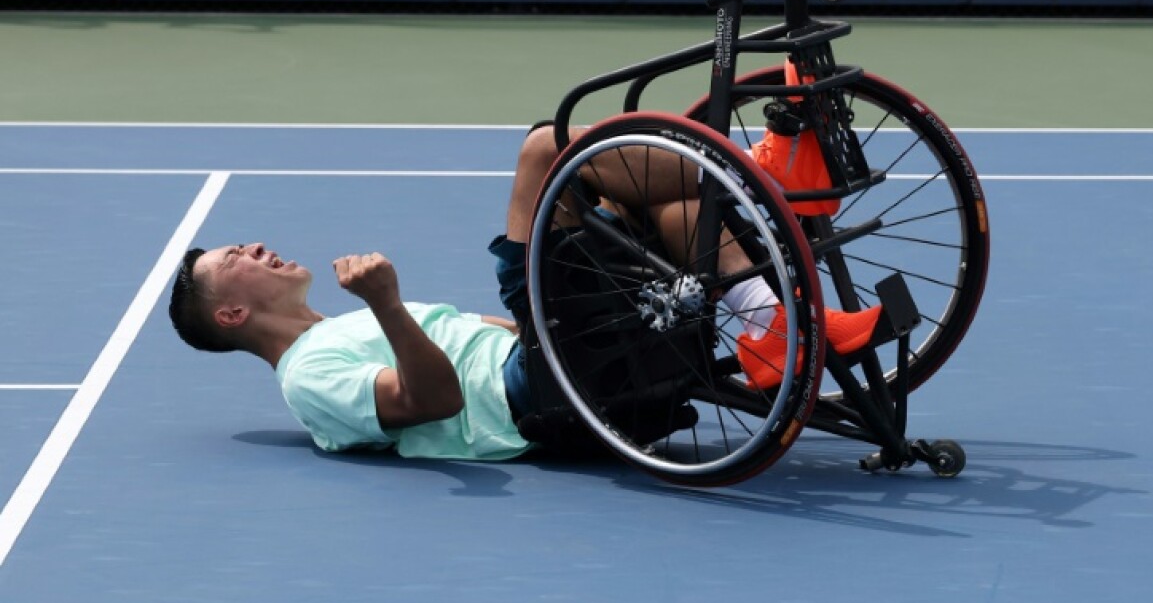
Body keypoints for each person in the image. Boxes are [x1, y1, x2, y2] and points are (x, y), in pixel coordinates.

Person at [168, 123, 885, 461]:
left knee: (660, 208)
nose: (254, 247)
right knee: (548, 149)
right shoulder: (306, 377)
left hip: (544, 358)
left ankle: (774, 326)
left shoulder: (329, 338)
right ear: (232, 313)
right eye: (236, 256)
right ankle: (764, 169)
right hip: (536, 391)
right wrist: (385, 304)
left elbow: (479, 332)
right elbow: (436, 401)